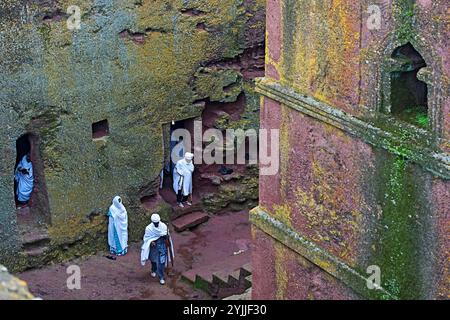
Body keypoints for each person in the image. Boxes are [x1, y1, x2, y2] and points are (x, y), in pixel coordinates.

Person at [141, 214, 174, 285]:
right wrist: (151, 242)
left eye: (157, 223)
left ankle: (161, 277)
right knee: (153, 260)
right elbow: (146, 238)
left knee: (161, 262)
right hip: (154, 247)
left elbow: (166, 235)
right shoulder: (148, 228)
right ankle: (153, 270)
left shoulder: (164, 226)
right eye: (155, 223)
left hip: (162, 245)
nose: (156, 224)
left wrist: (166, 237)